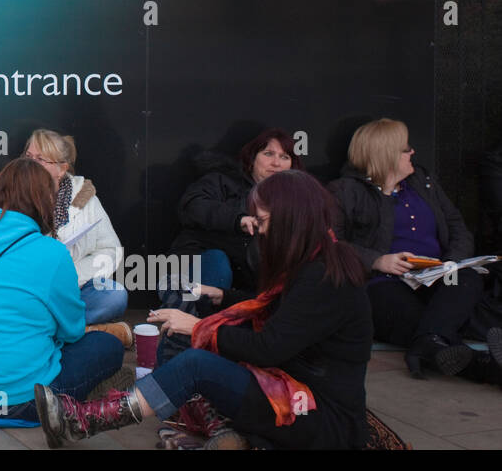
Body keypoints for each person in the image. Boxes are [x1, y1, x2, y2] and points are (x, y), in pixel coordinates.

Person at [36, 170, 373, 450]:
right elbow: (277, 312)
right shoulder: (316, 261)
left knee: (196, 362)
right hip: (292, 393)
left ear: (291, 218)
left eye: (263, 220)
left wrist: (198, 327)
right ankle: (227, 435)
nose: (259, 230)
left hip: (317, 415)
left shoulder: (324, 277)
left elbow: (270, 347)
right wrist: (220, 297)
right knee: (191, 359)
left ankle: (84, 420)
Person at [0, 158, 124, 422]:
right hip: (22, 400)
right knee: (108, 346)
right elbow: (71, 330)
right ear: (44, 199)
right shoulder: (53, 252)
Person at [329, 118, 501, 381]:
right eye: (405, 148)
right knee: (428, 325)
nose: (412, 152)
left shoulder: (423, 180)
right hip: (384, 282)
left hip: (437, 276)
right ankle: (487, 368)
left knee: (465, 277)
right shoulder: (345, 190)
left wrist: (450, 262)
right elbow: (330, 243)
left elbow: (457, 227)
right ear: (385, 153)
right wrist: (377, 261)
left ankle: (429, 346)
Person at [24, 129, 129, 336]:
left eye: (40, 159)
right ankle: (73, 330)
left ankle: (44, 328)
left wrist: (71, 274)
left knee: (114, 295)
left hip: (69, 288)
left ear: (61, 169)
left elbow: (111, 249)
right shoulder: (10, 190)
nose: (30, 165)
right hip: (26, 288)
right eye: (28, 157)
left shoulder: (84, 198)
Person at [170, 128, 300, 293]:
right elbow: (192, 205)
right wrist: (238, 220)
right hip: (200, 269)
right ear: (252, 158)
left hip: (250, 286)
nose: (276, 163)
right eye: (268, 154)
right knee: (217, 261)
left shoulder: (297, 200)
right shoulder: (222, 180)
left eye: (284, 157)